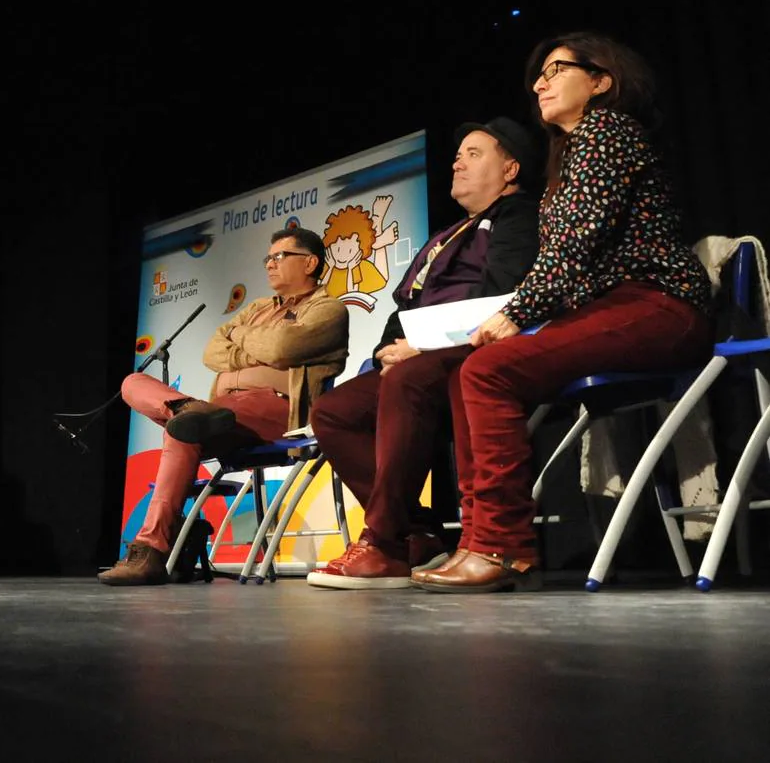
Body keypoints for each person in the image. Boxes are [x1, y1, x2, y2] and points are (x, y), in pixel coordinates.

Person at [413, 31, 715, 593]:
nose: (539, 83)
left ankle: (501, 546)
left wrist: (518, 312)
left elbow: (574, 245)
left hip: (657, 304)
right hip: (613, 309)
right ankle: (476, 538)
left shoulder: (607, 130)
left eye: (556, 69)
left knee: (486, 368)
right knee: (465, 371)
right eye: (538, 74)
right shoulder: (572, 155)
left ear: (600, 81)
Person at [305, 117, 542, 589]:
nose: (458, 160)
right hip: (417, 356)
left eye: (475, 153)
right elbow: (403, 307)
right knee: (333, 411)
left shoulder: (518, 217)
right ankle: (417, 532)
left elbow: (504, 295)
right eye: (459, 153)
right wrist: (386, 349)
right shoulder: (446, 235)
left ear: (511, 169)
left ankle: (383, 543)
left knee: (406, 380)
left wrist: (422, 346)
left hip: (476, 350)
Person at [100, 226, 349, 586]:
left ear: (310, 262)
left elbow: (282, 350)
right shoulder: (257, 309)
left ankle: (151, 550)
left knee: (184, 429)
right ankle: (186, 410)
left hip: (276, 411)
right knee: (133, 384)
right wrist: (255, 343)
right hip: (222, 411)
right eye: (268, 257)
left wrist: (242, 339)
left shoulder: (328, 310)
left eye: (280, 256)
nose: (270, 264)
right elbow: (211, 351)